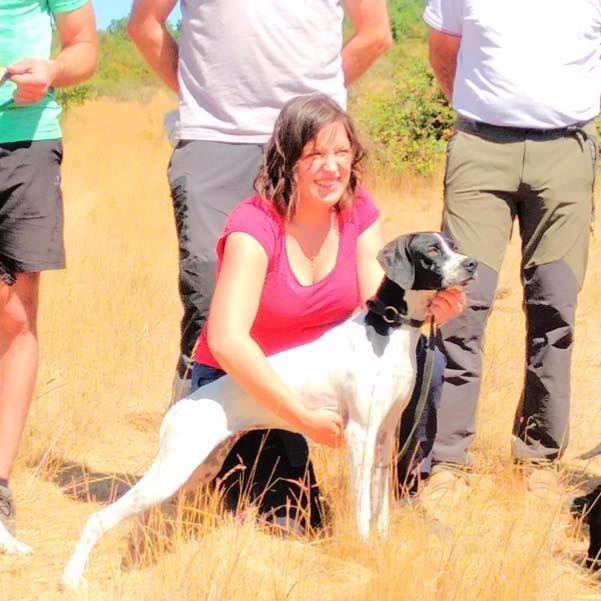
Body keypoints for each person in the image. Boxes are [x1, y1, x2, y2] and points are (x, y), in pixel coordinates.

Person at [189, 93, 466, 532]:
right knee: (289, 527)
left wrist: (428, 310)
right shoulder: (254, 226)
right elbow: (226, 341)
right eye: (315, 154)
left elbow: (381, 306)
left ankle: (401, 491)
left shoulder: (355, 209)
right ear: (287, 161)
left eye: (341, 153)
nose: (332, 167)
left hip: (319, 378)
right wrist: (303, 421)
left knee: (424, 362)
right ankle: (206, 462)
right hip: (245, 385)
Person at [127, 0, 394, 401]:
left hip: (313, 144)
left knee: (311, 300)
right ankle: (196, 448)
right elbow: (144, 25)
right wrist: (204, 97)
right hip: (217, 136)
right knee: (209, 298)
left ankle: (279, 449)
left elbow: (375, 33)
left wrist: (310, 116)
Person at [422, 0, 600, 489]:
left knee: (555, 307)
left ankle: (540, 460)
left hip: (566, 151)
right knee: (461, 305)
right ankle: (446, 462)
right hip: (481, 150)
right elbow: (443, 52)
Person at [0, 0, 97, 542]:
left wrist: (53, 71)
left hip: (25, 141)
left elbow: (84, 45)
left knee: (14, 315)